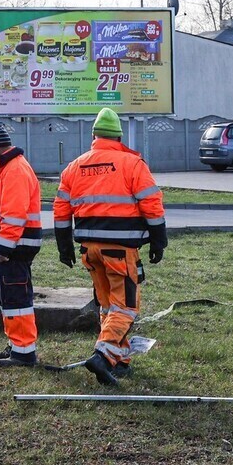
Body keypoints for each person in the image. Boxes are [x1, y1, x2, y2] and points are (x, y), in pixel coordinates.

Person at [52, 108, 166, 386]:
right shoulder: (132, 164)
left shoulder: (74, 167)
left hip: (89, 251)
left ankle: (119, 360)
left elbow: (60, 211)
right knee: (125, 307)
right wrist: (158, 240)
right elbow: (151, 204)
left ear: (94, 136)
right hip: (120, 250)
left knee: (108, 306)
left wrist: (64, 246)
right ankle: (102, 356)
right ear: (118, 137)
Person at [0, 122, 43, 368]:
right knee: (11, 298)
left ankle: (24, 353)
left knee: (16, 300)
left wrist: (3, 248)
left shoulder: (14, 170)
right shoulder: (8, 168)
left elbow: (14, 215)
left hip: (14, 248)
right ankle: (17, 346)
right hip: (15, 246)